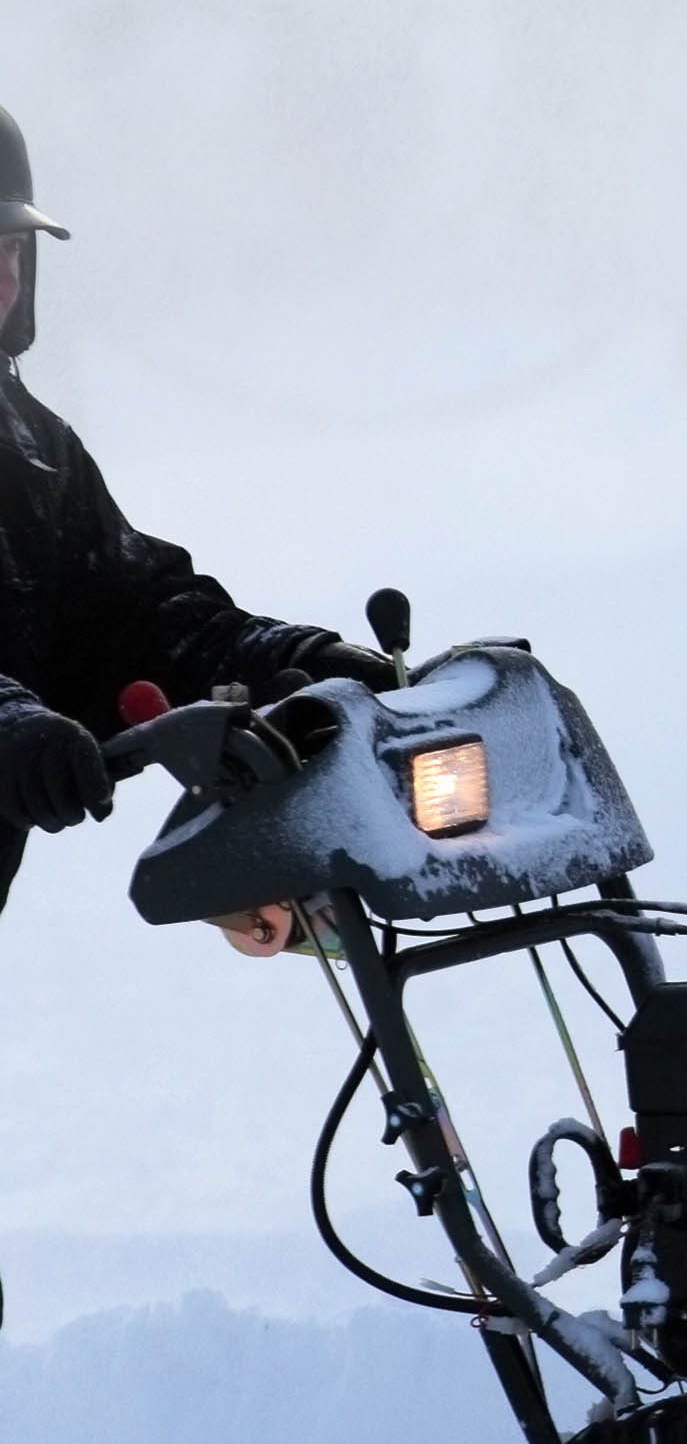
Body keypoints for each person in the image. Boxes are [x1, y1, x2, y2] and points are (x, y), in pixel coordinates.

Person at [0, 101, 394, 915]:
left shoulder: (31, 445)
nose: (0, 281)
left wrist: (285, 660)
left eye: (8, 250)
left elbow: (130, 613)